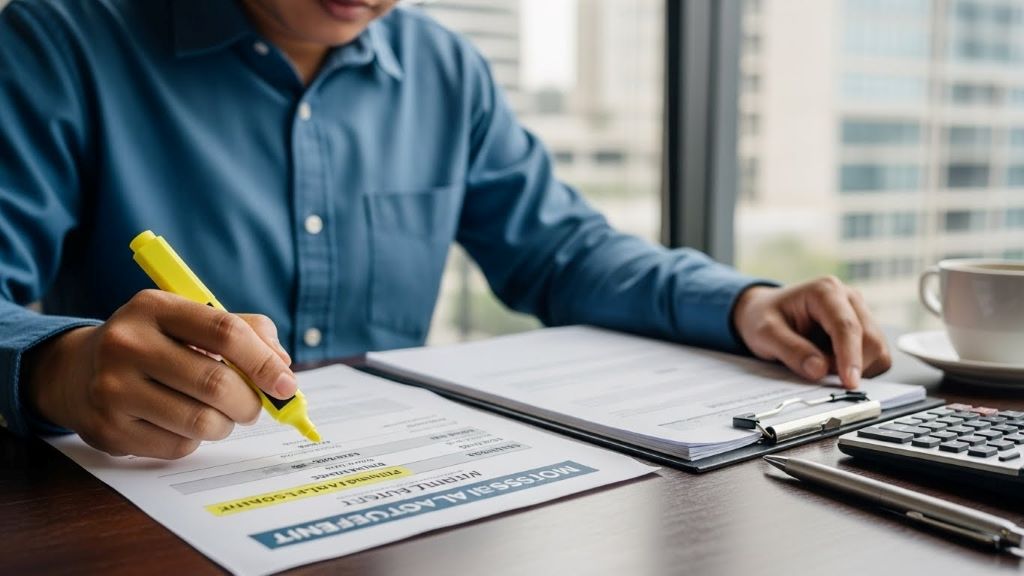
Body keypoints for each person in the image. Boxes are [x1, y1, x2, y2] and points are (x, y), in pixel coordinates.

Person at [0, 0, 891, 460]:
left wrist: (741, 301)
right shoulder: (58, 40)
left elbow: (559, 249)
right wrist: (59, 366)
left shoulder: (443, 68)